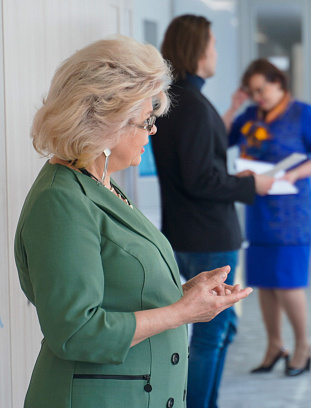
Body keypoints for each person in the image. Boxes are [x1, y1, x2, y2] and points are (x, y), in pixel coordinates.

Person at [14, 35, 253, 408]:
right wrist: (181, 313)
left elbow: (121, 289)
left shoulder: (100, 184)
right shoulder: (60, 201)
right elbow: (76, 331)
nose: (153, 131)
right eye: (146, 121)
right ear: (105, 121)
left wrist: (185, 293)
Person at [152, 15, 274, 408]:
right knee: (211, 333)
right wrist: (249, 184)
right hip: (207, 234)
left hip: (185, 230)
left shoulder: (175, 99)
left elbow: (197, 164)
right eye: (213, 43)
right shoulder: (190, 104)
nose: (216, 51)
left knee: (223, 326)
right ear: (198, 49)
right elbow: (201, 179)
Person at [224, 59, 311, 377]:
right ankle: (275, 345)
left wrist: (295, 174)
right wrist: (233, 107)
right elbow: (220, 138)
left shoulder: (302, 113)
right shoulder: (248, 116)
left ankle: (302, 346)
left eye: (262, 89)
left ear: (279, 83)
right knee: (264, 283)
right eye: (253, 92)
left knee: (287, 283)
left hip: (291, 212)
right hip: (258, 208)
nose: (259, 97)